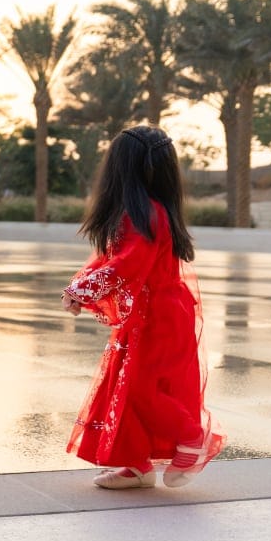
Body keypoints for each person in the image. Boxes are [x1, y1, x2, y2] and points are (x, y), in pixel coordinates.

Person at [60, 125, 226, 490]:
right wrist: (80, 285)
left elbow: (126, 265)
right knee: (127, 385)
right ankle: (136, 464)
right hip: (153, 313)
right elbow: (109, 257)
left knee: (140, 389)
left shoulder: (144, 214)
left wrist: (84, 289)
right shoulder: (145, 211)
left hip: (158, 317)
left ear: (120, 169)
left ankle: (191, 436)